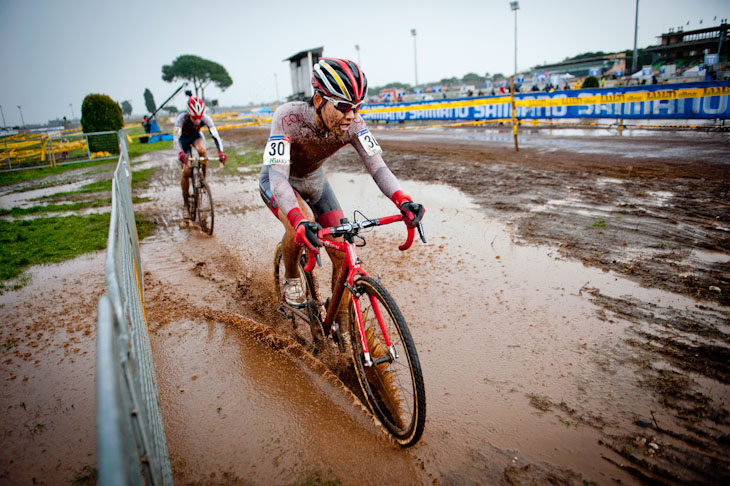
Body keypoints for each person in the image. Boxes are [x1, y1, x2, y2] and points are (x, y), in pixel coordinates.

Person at [259, 57, 425, 309]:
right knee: (301, 222)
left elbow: (378, 167)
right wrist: (298, 219)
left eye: (357, 107)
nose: (351, 115)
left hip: (315, 183)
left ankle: (341, 325)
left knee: (342, 254)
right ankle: (291, 276)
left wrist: (403, 200)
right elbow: (279, 176)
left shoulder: (355, 124)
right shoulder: (287, 117)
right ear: (318, 101)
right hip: (280, 181)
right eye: (344, 106)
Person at [173, 95, 227, 219]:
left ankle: (203, 179)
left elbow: (215, 135)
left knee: (202, 151)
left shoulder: (206, 118)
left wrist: (221, 152)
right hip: (184, 140)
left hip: (197, 136)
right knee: (186, 171)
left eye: (199, 117)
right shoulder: (181, 119)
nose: (198, 121)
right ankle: (186, 204)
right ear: (188, 114)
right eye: (194, 118)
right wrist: (180, 153)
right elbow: (175, 139)